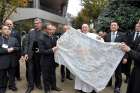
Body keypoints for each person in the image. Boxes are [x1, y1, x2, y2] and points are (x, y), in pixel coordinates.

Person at [75, 24, 102, 93]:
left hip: (90, 58)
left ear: (88, 28)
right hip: (81, 58)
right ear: (81, 28)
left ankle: (89, 89)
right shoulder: (79, 35)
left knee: (89, 73)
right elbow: (75, 45)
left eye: (86, 27)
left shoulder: (93, 35)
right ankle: (80, 87)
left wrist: (99, 39)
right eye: (83, 27)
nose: (84, 28)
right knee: (81, 73)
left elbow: (101, 41)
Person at [39, 24, 62, 93]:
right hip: (45, 61)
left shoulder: (54, 37)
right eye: (49, 29)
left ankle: (54, 86)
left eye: (51, 29)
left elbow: (57, 46)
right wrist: (52, 50)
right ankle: (47, 89)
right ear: (46, 29)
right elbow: (42, 51)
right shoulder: (41, 38)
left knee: (53, 74)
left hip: (53, 60)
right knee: (46, 76)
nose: (51, 31)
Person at [104, 21, 126, 93]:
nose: (113, 26)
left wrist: (125, 57)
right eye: (112, 25)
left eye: (114, 25)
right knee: (108, 72)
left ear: (117, 27)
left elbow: (125, 47)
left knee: (118, 74)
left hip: (118, 59)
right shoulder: (107, 35)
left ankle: (117, 87)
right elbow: (104, 46)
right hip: (109, 58)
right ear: (110, 27)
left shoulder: (122, 35)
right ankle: (109, 83)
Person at [24, 18, 42, 93]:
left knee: (38, 70)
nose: (36, 24)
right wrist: (25, 53)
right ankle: (30, 86)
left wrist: (40, 50)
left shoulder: (44, 33)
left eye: (37, 23)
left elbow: (45, 45)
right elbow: (26, 43)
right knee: (30, 70)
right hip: (30, 55)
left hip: (39, 55)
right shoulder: (30, 32)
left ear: (41, 23)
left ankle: (38, 83)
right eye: (35, 23)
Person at [120, 23, 140, 93]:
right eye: (137, 25)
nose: (138, 26)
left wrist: (129, 50)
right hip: (134, 65)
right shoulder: (131, 34)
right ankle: (127, 76)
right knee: (127, 67)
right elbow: (129, 44)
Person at [0, 25, 20, 93]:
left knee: (12, 75)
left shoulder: (14, 39)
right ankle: (2, 87)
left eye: (8, 29)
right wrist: (6, 50)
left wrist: (13, 48)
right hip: (3, 61)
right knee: (2, 75)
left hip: (12, 61)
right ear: (1, 31)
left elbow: (18, 47)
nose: (7, 30)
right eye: (5, 29)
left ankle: (12, 85)